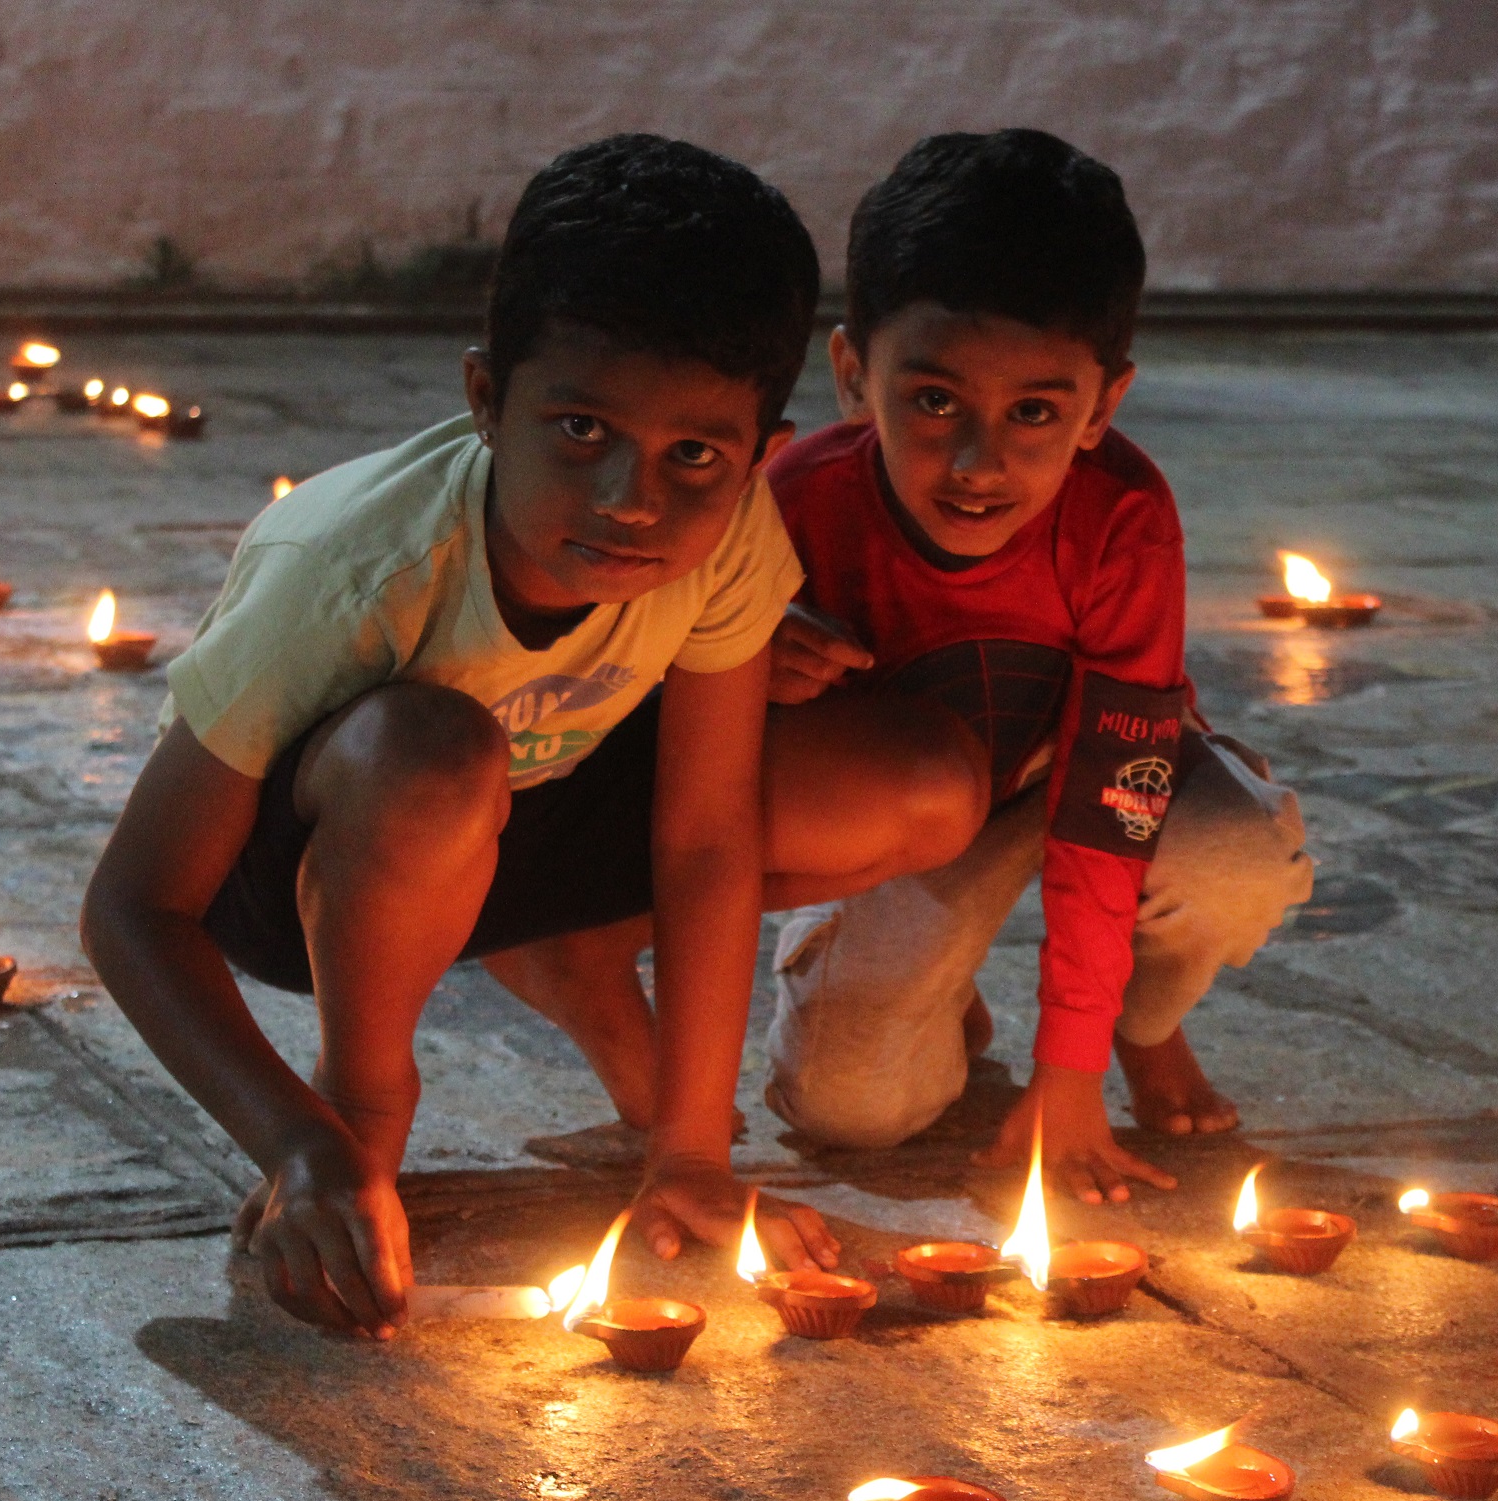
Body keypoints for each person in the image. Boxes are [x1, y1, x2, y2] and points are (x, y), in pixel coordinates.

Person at [81, 135, 987, 1337]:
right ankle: (369, 1101)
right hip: (313, 860)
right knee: (431, 753)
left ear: (760, 453)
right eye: (577, 430)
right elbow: (134, 908)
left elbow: (707, 840)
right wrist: (300, 1141)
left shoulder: (724, 537)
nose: (629, 498)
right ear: (485, 398)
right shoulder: (355, 567)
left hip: (527, 814)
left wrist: (691, 1155)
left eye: (695, 456)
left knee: (924, 783)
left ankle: (563, 958)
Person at [761, 129, 1313, 1204]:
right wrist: (750, 647)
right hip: (907, 819)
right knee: (851, 1117)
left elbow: (1118, 798)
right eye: (932, 403)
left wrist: (1068, 1072)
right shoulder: (793, 505)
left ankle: (1141, 1029)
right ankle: (941, 991)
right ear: (851, 375)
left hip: (1090, 764)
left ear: (1102, 406)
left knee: (1229, 859)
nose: (980, 463)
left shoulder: (1123, 524)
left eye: (1035, 414)